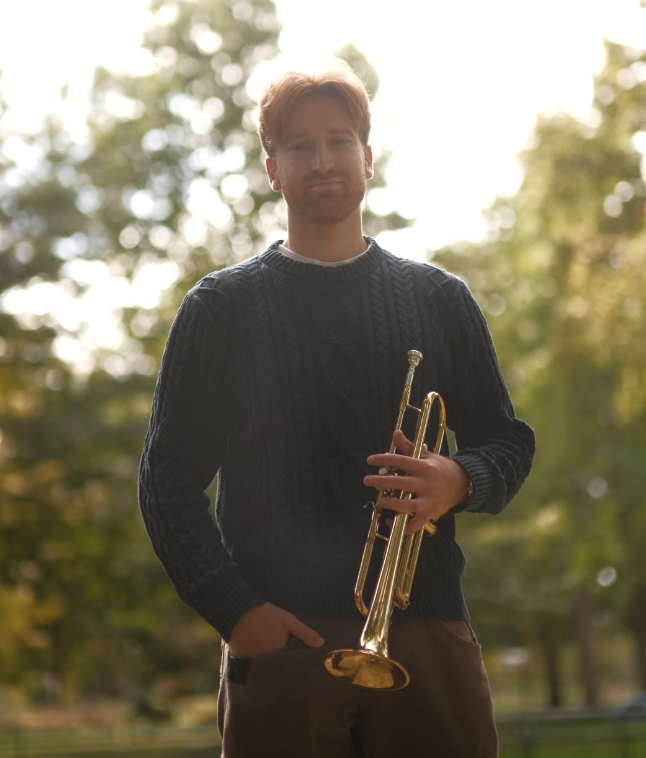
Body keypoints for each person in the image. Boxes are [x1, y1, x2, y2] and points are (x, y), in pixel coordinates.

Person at [138, 60, 535, 758]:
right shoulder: (220, 309)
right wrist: (235, 611)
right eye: (299, 146)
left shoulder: (440, 298)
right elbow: (165, 483)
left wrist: (459, 479)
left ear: (368, 157)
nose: (322, 159)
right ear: (272, 169)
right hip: (282, 642)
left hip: (428, 633)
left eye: (338, 140)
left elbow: (509, 441)